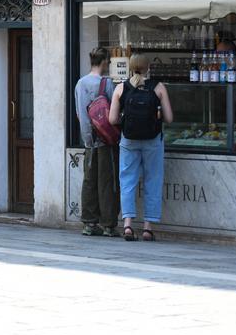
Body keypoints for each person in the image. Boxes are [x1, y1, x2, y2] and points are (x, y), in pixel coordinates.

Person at [108, 53, 174, 242]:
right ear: (148, 67)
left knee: (127, 181)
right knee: (153, 180)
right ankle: (148, 227)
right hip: (153, 140)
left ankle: (128, 224)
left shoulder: (121, 88)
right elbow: (169, 118)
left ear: (130, 67)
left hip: (128, 140)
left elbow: (112, 119)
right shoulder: (158, 88)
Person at [74, 47, 118, 237]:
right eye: (108, 62)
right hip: (106, 140)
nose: (108, 65)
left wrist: (87, 140)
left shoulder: (81, 83)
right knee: (107, 182)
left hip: (90, 140)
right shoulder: (107, 83)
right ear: (104, 62)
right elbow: (114, 114)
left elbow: (82, 115)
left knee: (89, 181)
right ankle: (108, 224)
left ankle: (89, 223)